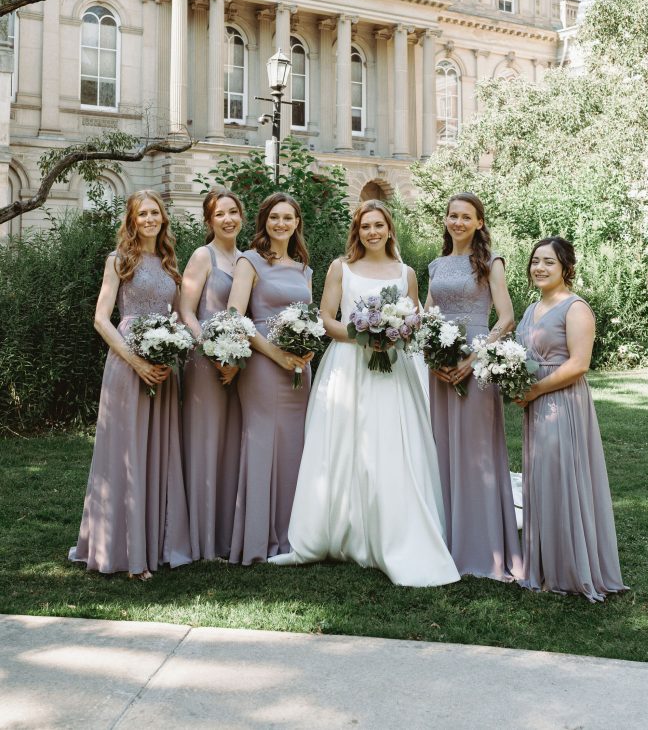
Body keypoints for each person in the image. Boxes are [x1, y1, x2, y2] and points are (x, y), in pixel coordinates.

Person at [270, 200, 460, 587]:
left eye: (378, 225)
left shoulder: (406, 273)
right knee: (343, 444)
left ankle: (393, 532)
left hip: (394, 368)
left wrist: (392, 336)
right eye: (364, 226)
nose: (372, 232)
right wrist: (363, 337)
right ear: (357, 232)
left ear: (390, 229)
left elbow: (413, 318)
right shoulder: (342, 267)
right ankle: (339, 530)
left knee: (391, 445)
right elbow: (326, 318)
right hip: (348, 367)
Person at [69, 191, 191, 578]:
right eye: (143, 214)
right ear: (132, 220)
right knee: (126, 451)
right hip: (127, 362)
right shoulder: (119, 260)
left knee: (157, 451)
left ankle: (153, 544)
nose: (150, 219)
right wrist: (136, 361)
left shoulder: (172, 263)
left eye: (156, 213)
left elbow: (182, 314)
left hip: (163, 364)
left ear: (163, 219)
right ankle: (123, 551)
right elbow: (101, 319)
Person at [515, 236, 627, 601]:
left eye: (548, 261)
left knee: (562, 478)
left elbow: (579, 364)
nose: (540, 268)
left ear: (566, 267)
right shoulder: (532, 308)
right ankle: (544, 566)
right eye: (535, 261)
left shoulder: (576, 308)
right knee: (540, 478)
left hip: (561, 401)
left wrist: (535, 389)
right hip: (536, 403)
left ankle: (570, 569)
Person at [426, 193, 523, 581]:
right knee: (442, 448)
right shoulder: (436, 263)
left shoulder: (489, 261)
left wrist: (473, 359)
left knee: (476, 450)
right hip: (440, 366)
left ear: (479, 222)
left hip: (477, 364)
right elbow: (427, 314)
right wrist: (433, 359)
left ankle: (482, 546)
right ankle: (446, 539)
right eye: (453, 216)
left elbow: (507, 318)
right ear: (446, 220)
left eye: (466, 217)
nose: (458, 222)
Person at [227, 193, 314, 565]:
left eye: (288, 217)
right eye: (275, 217)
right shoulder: (250, 261)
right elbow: (235, 317)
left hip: (299, 367)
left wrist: (306, 348)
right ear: (264, 221)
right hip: (263, 364)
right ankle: (257, 540)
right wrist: (275, 353)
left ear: (297, 223)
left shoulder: (304, 269)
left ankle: (292, 537)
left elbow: (311, 315)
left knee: (294, 446)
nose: (281, 223)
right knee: (262, 444)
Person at [179, 188, 244, 560]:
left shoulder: (246, 259)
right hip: (204, 362)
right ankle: (200, 539)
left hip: (238, 365)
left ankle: (225, 536)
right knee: (204, 442)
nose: (227, 219)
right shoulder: (203, 256)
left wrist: (234, 357)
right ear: (209, 220)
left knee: (231, 445)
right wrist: (212, 350)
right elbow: (186, 310)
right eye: (219, 214)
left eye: (233, 212)